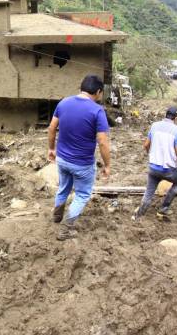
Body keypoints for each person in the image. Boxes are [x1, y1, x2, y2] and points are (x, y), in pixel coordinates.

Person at [48, 75, 111, 241]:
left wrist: (51, 148)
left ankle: (56, 216)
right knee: (82, 194)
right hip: (82, 164)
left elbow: (51, 128)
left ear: (80, 88)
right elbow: (103, 142)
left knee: (63, 188)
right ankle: (65, 230)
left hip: (62, 159)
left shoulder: (63, 103)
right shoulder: (97, 111)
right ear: (98, 92)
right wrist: (107, 165)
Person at [132, 107, 177, 221]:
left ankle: (138, 215)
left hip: (153, 167)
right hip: (168, 169)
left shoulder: (155, 125)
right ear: (176, 118)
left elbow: (146, 145)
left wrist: (151, 154)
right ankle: (163, 209)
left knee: (149, 192)